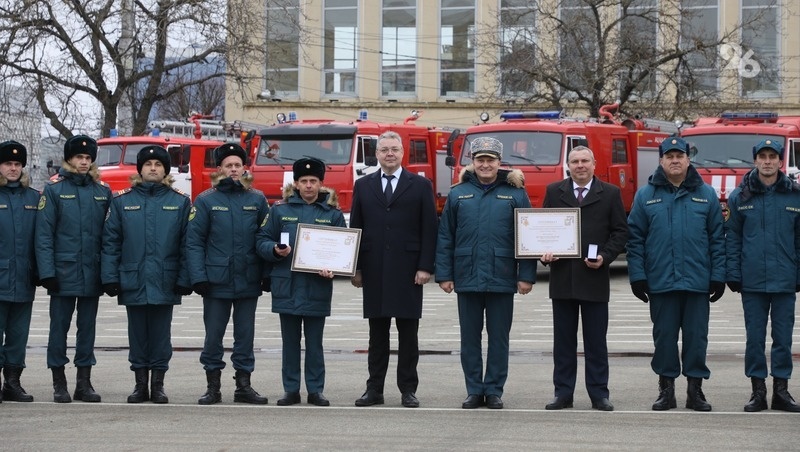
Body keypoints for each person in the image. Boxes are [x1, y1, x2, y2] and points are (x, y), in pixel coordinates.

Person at [435, 136, 536, 410]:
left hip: (502, 276)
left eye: (490, 160)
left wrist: (526, 275)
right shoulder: (458, 193)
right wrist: (444, 274)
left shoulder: (516, 194)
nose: (485, 165)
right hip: (467, 276)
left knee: (499, 339)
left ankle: (493, 390)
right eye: (480, 160)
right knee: (469, 339)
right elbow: (446, 237)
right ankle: (473, 390)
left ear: (499, 163)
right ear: (472, 162)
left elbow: (527, 237)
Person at [627, 136, 725, 412]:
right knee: (665, 339)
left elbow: (718, 238)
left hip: (697, 282)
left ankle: (695, 391)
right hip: (661, 282)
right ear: (661, 160)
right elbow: (635, 239)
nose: (674, 160)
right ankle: (666, 390)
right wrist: (637, 276)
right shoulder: (646, 195)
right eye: (669, 156)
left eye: (679, 155)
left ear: (687, 159)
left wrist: (718, 276)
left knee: (696, 339)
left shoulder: (705, 194)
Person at [350, 131, 438, 408]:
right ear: (376, 155)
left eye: (394, 149)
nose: (389, 154)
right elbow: (356, 228)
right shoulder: (363, 186)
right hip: (374, 268)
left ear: (403, 153)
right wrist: (356, 268)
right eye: (384, 150)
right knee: (377, 336)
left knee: (408, 336)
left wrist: (426, 266)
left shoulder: (421, 186)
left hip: (408, 270)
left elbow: (429, 229)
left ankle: (407, 390)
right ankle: (374, 389)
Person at [100, 145, 192, 404]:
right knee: (137, 335)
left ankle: (158, 385)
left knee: (161, 337)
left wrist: (185, 278)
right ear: (139, 169)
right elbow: (111, 242)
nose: (153, 168)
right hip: (133, 279)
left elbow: (188, 244)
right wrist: (109, 276)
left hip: (166, 279)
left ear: (165, 170)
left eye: (158, 164)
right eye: (148, 164)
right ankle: (140, 385)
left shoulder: (180, 201)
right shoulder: (121, 201)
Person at [540, 146, 628, 411]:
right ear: (568, 165)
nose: (580, 165)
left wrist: (605, 256)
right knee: (563, 343)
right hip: (562, 279)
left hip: (594, 277)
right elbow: (544, 227)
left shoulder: (610, 193)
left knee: (596, 342)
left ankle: (599, 393)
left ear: (594, 163)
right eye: (575, 161)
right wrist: (543, 255)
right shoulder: (554, 191)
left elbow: (621, 232)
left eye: (584, 161)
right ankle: (563, 393)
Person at [256, 157, 345, 406]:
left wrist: (334, 271)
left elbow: (342, 251)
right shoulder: (279, 211)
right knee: (290, 342)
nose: (308, 186)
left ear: (320, 184)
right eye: (304, 181)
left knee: (315, 343)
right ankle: (291, 390)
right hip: (287, 284)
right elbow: (261, 240)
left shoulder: (332, 214)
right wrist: (274, 249)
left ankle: (316, 390)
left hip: (317, 285)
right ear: (295, 183)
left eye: (313, 181)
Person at [186, 143, 270, 405]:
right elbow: (194, 241)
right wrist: (198, 277)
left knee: (245, 336)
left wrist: (266, 274)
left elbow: (265, 237)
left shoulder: (257, 199)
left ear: (244, 168)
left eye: (237, 165)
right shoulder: (206, 200)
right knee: (213, 336)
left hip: (248, 279)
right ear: (220, 169)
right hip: (215, 281)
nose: (233, 169)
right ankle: (213, 387)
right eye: (228, 165)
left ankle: (243, 386)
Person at [725, 139, 800, 413]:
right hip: (752, 281)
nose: (767, 161)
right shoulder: (740, 197)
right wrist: (732, 273)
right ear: (755, 160)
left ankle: (781, 391)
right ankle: (758, 391)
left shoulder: (795, 195)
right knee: (754, 338)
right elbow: (731, 238)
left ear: (780, 161)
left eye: (772, 156)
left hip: (784, 280)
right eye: (762, 156)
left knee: (783, 339)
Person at [36, 135, 111, 403]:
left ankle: (84, 383)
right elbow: (44, 235)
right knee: (59, 329)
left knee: (87, 329)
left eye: (88, 158)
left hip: (92, 272)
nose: (84, 162)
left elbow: (109, 237)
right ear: (69, 159)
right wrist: (47, 273)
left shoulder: (102, 192)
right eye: (79, 157)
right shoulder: (54, 191)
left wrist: (107, 274)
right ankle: (59, 382)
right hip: (62, 273)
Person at [0, 140, 41, 403]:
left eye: (17, 164)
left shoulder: (35, 198)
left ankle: (12, 383)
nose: (13, 168)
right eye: (7, 164)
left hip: (24, 279)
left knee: (18, 335)